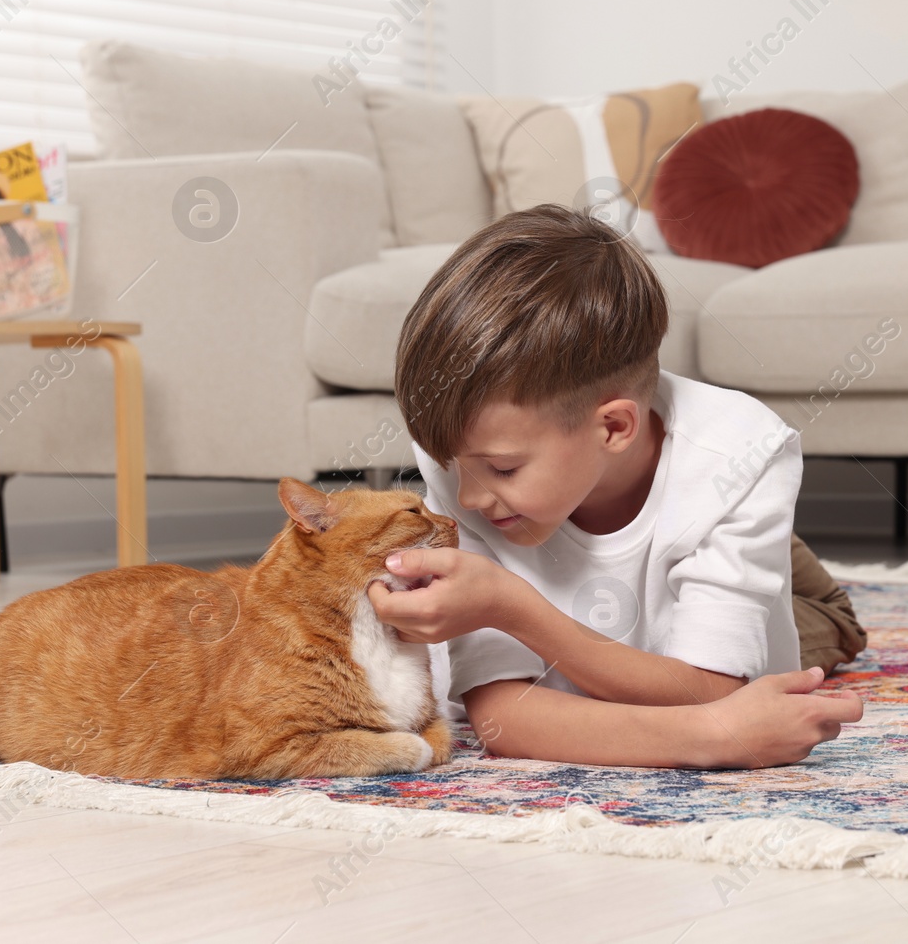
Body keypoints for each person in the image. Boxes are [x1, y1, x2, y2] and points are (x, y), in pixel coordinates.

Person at [367, 204, 867, 770]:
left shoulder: (740, 454)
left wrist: (510, 607)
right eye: (449, 465)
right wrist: (718, 737)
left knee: (823, 622)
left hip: (698, 498)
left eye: (503, 470)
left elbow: (709, 689)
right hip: (633, 514)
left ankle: (798, 576)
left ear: (613, 427)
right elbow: (504, 718)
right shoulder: (471, 458)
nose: (468, 501)